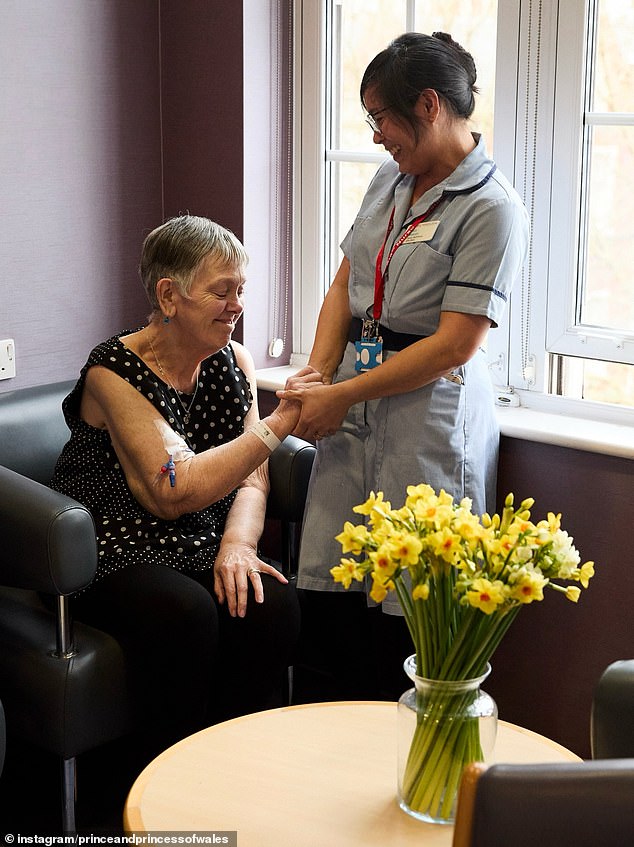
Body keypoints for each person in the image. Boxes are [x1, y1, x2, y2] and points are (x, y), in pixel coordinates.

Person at [279, 32, 530, 701]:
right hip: (357, 400)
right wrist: (318, 372)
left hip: (430, 413)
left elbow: (455, 344)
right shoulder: (389, 179)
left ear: (429, 105)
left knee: (413, 613)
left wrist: (344, 390)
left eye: (382, 119)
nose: (376, 136)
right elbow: (346, 282)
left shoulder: (491, 207)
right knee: (334, 595)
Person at [51, 214, 302, 753]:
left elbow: (252, 475)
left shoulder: (234, 362)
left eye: (241, 290)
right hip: (113, 545)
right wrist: (280, 424)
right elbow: (172, 490)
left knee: (269, 602)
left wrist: (237, 545)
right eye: (222, 291)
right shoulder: (113, 370)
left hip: (198, 537)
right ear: (169, 296)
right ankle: (164, 783)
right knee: (184, 614)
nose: (237, 306)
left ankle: (242, 768)